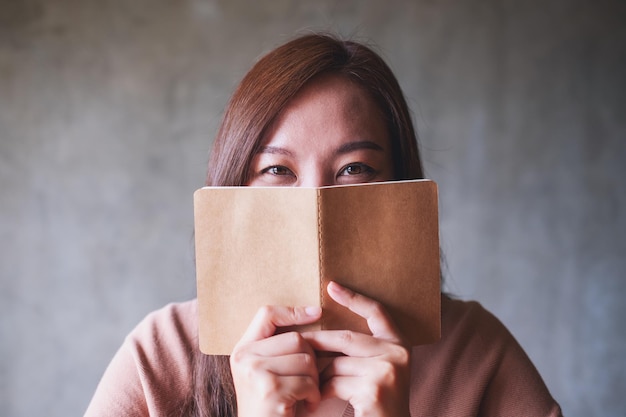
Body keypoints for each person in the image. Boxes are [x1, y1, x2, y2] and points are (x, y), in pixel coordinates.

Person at [85, 33, 562, 417]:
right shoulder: (161, 355)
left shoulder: (475, 352)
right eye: (277, 170)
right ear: (233, 187)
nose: (315, 201)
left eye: (354, 168)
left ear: (400, 184)